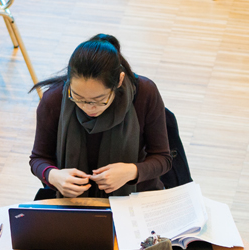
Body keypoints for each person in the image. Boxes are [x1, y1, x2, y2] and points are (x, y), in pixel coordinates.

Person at [29, 34, 171, 198]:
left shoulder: (145, 93)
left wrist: (131, 171)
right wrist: (53, 176)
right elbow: (38, 159)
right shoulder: (54, 99)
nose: (88, 107)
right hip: (73, 203)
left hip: (135, 199)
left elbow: (163, 158)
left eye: (99, 99)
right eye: (78, 97)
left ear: (119, 81)